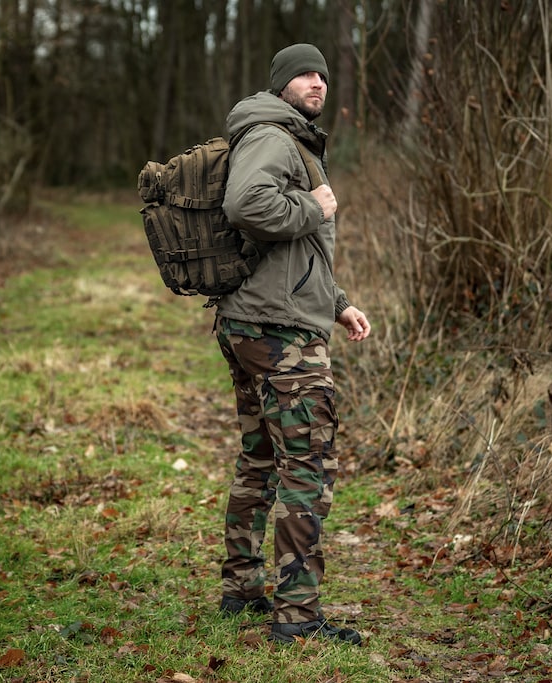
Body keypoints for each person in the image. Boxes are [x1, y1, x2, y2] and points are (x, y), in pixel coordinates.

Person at [213, 43, 371, 646]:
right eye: (305, 74)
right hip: (279, 334)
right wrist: (313, 205)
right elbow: (246, 205)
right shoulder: (273, 137)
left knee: (260, 457)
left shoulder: (286, 136)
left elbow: (294, 254)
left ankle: (242, 589)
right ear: (281, 83)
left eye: (322, 75)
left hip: (258, 320)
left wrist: (338, 303)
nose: (317, 82)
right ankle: (297, 615)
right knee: (307, 466)